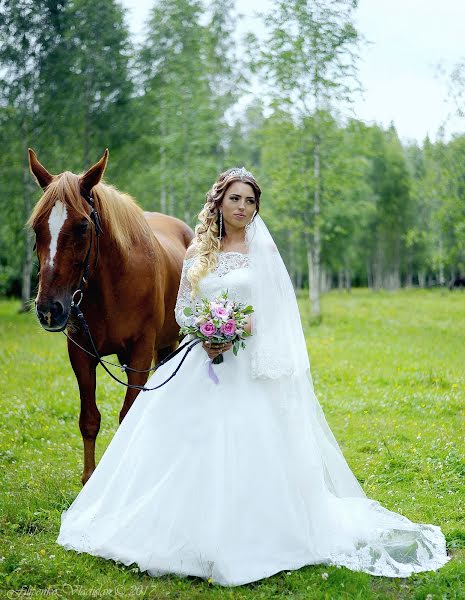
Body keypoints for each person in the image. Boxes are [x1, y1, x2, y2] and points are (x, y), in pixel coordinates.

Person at [56, 167, 450, 586]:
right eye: (235, 199)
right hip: (201, 361)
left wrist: (234, 329)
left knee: (249, 443)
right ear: (219, 203)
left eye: (249, 201)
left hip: (246, 364)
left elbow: (275, 309)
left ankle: (257, 530)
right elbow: (182, 309)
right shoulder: (197, 251)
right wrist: (204, 331)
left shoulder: (263, 252)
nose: (242, 207)